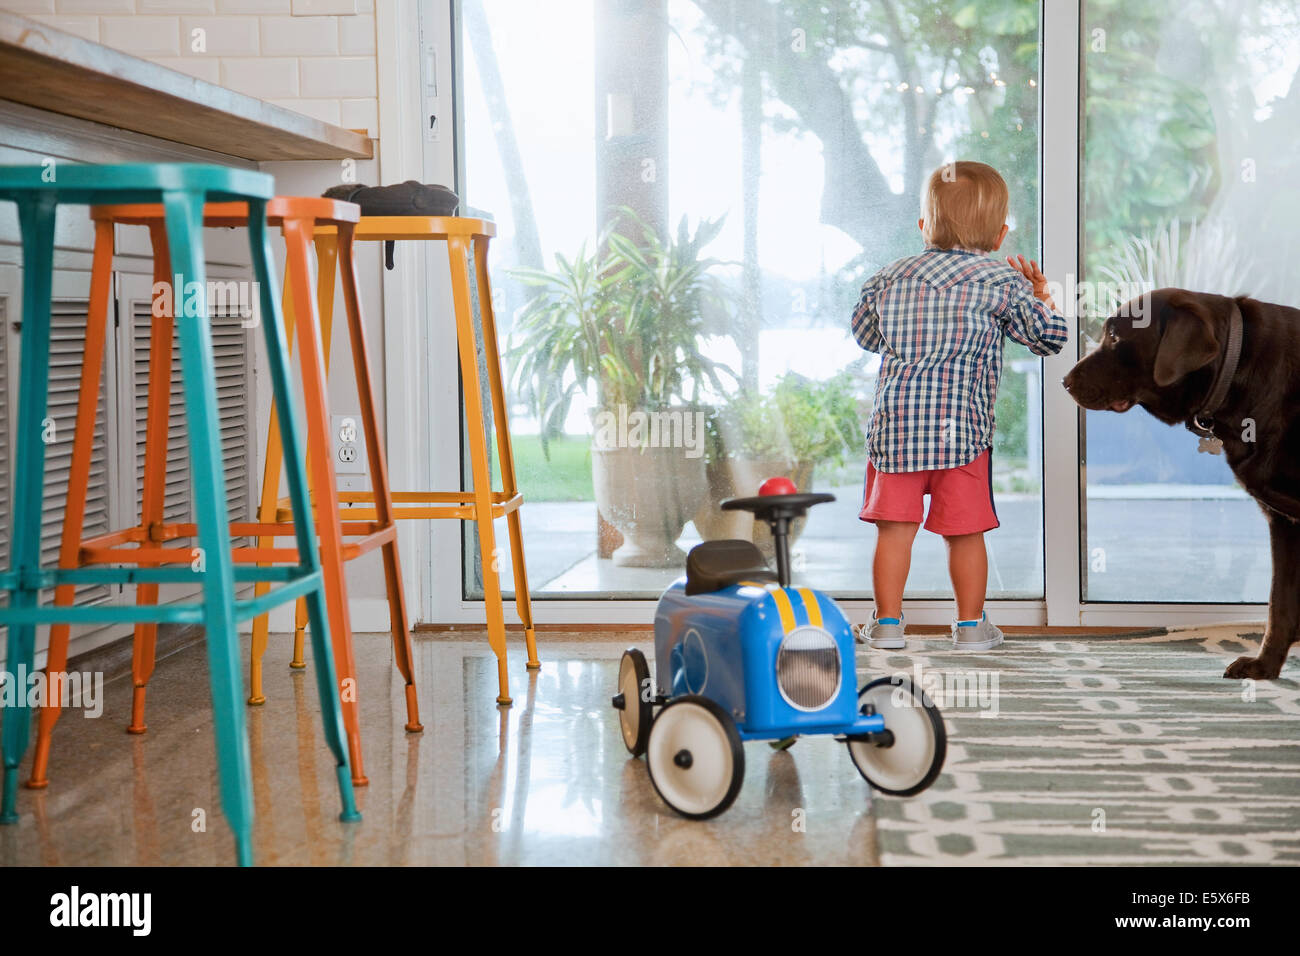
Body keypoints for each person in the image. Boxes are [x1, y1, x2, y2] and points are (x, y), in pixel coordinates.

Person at [850, 160, 1067, 650]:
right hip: (962, 436)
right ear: (999, 236)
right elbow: (1050, 339)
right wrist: (1041, 295)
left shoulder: (887, 278)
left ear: (924, 226)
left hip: (896, 433)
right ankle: (970, 627)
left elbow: (866, 336)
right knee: (965, 533)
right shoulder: (1003, 283)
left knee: (894, 531)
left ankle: (886, 625)